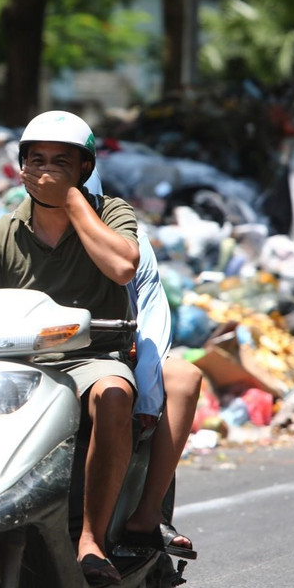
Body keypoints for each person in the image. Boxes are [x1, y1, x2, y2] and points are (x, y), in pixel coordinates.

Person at [0, 110, 140, 585]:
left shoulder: (111, 213)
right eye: (37, 160)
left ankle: (91, 541)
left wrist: (71, 203)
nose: (46, 170)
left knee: (114, 396)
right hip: (16, 363)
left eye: (61, 161)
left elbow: (122, 268)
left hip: (91, 359)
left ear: (85, 169)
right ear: (21, 168)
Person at [80, 170, 199, 560]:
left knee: (182, 377)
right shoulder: (23, 235)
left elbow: (150, 315)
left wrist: (148, 394)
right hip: (51, 359)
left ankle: (147, 516)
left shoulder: (127, 243)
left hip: (119, 356)